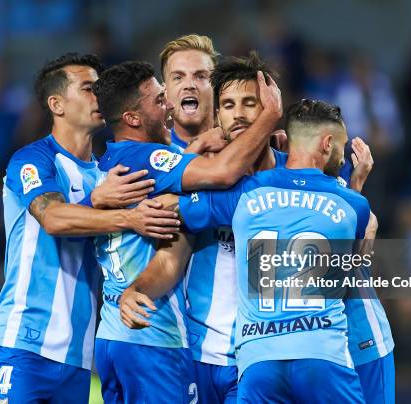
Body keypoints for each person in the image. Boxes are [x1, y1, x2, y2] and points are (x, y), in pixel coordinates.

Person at [122, 99, 369, 403]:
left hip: (258, 360)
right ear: (327, 143)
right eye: (342, 148)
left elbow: (172, 208)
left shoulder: (246, 191)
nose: (343, 158)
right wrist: (355, 185)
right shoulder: (354, 205)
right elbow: (351, 261)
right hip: (322, 354)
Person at [0, 53, 179, 404]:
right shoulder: (33, 160)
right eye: (89, 88)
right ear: (56, 104)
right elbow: (54, 219)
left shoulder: (108, 173)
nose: (98, 97)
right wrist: (126, 216)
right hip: (23, 343)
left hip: (78, 357)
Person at [90, 60, 282, 403]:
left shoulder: (304, 180)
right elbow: (170, 258)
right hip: (183, 350)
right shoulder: (180, 177)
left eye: (252, 104)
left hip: (264, 358)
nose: (171, 106)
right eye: (229, 105)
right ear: (217, 116)